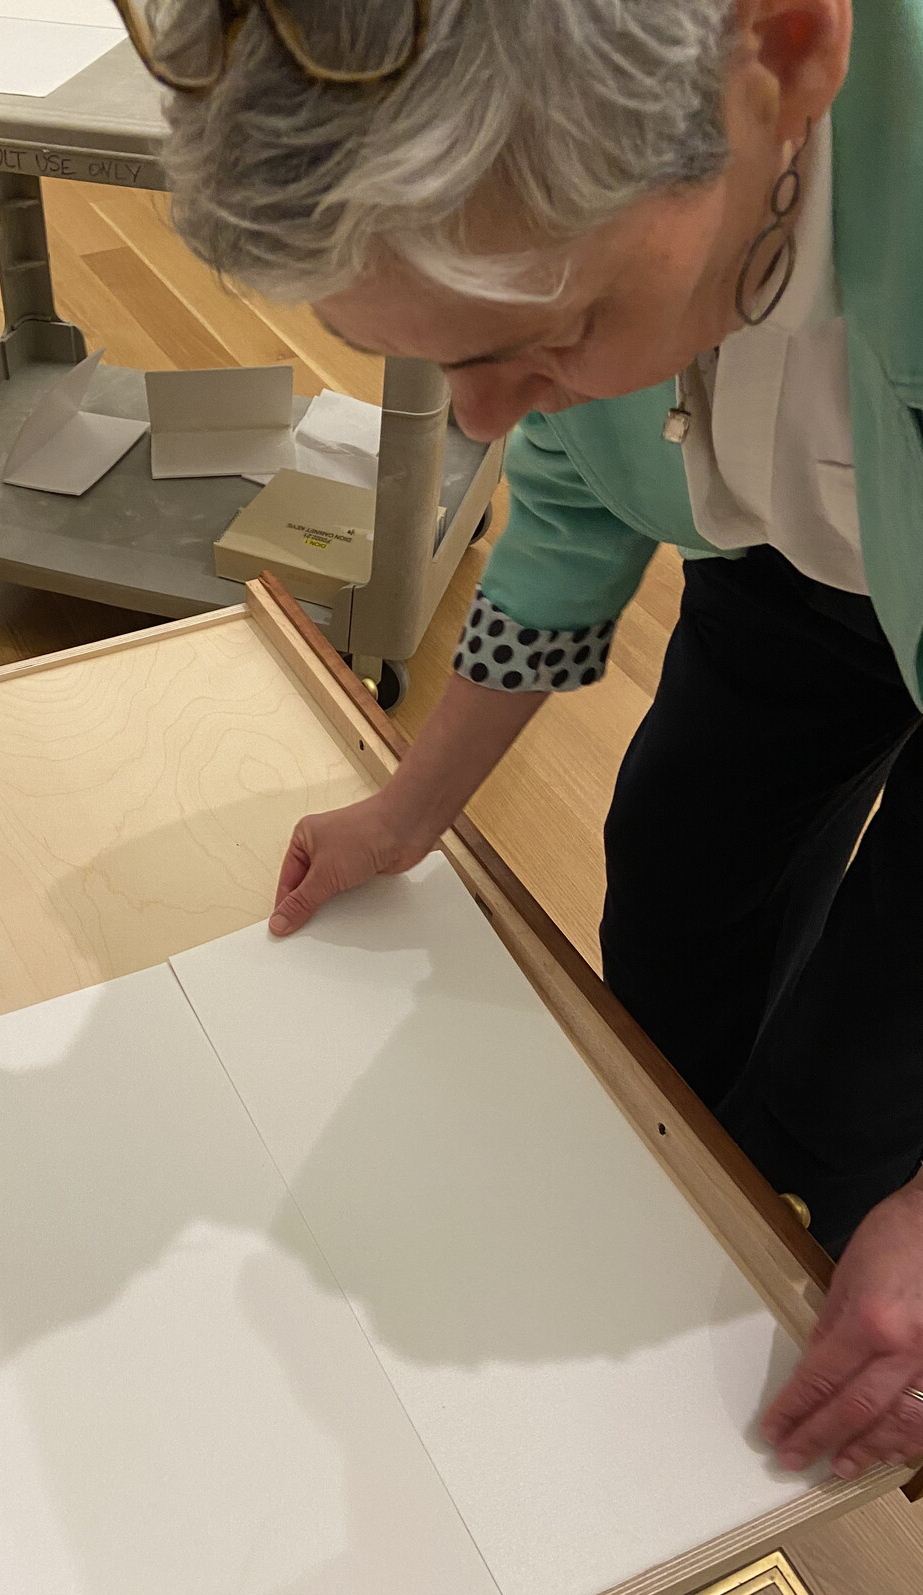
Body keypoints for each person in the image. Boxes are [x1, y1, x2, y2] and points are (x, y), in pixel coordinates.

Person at [128, 0, 923, 1482]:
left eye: (553, 333)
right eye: (424, 358)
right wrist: (409, 806)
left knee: (862, 1076)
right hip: (788, 533)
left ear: (794, 60)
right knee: (677, 877)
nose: (479, 414)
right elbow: (567, 490)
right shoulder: (602, 242)